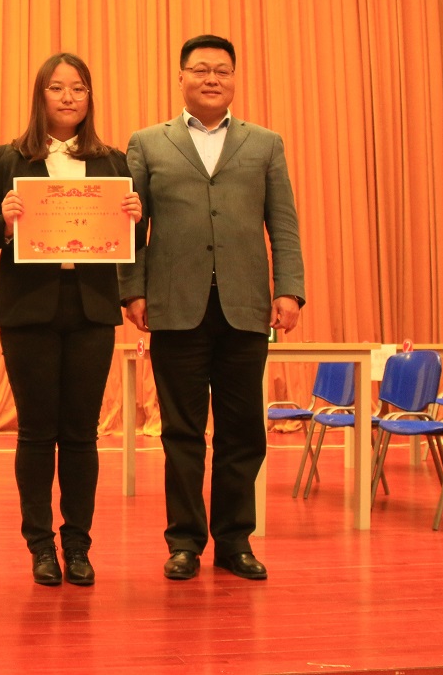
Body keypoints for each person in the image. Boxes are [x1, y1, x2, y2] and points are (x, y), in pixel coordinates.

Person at [119, 34, 305, 582]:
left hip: (245, 307)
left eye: (222, 70)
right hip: (175, 305)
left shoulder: (264, 143)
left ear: (234, 79)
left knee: (242, 431)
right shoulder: (148, 143)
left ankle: (234, 540)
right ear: (181, 77)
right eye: (201, 69)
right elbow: (132, 227)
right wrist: (132, 290)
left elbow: (283, 223)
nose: (212, 79)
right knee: (181, 432)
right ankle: (184, 542)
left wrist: (289, 289)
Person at [0, 52, 142, 587]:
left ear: (89, 98)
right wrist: (5, 222)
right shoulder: (9, 158)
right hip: (28, 311)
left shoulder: (113, 162)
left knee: (82, 434)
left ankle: (78, 545)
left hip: (91, 310)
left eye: (78, 88)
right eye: (57, 87)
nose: (68, 97)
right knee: (37, 433)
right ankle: (40, 545)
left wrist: (136, 218)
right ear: (40, 95)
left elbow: (133, 242)